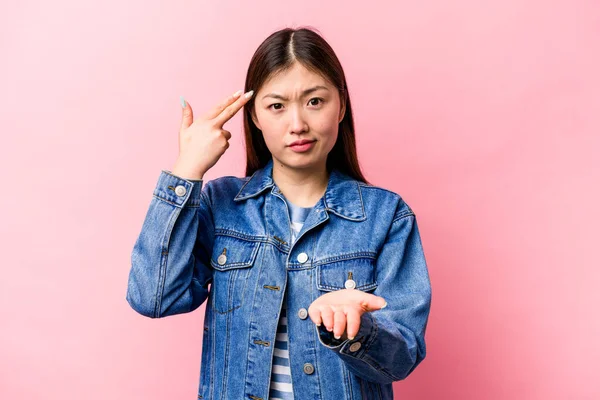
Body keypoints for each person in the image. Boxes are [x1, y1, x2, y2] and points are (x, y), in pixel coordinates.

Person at [126, 26, 432, 400]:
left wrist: (354, 328)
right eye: (277, 106)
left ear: (342, 105)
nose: (297, 124)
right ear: (254, 116)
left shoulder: (387, 216)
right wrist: (186, 171)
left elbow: (402, 358)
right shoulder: (221, 205)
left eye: (315, 101)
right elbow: (153, 298)